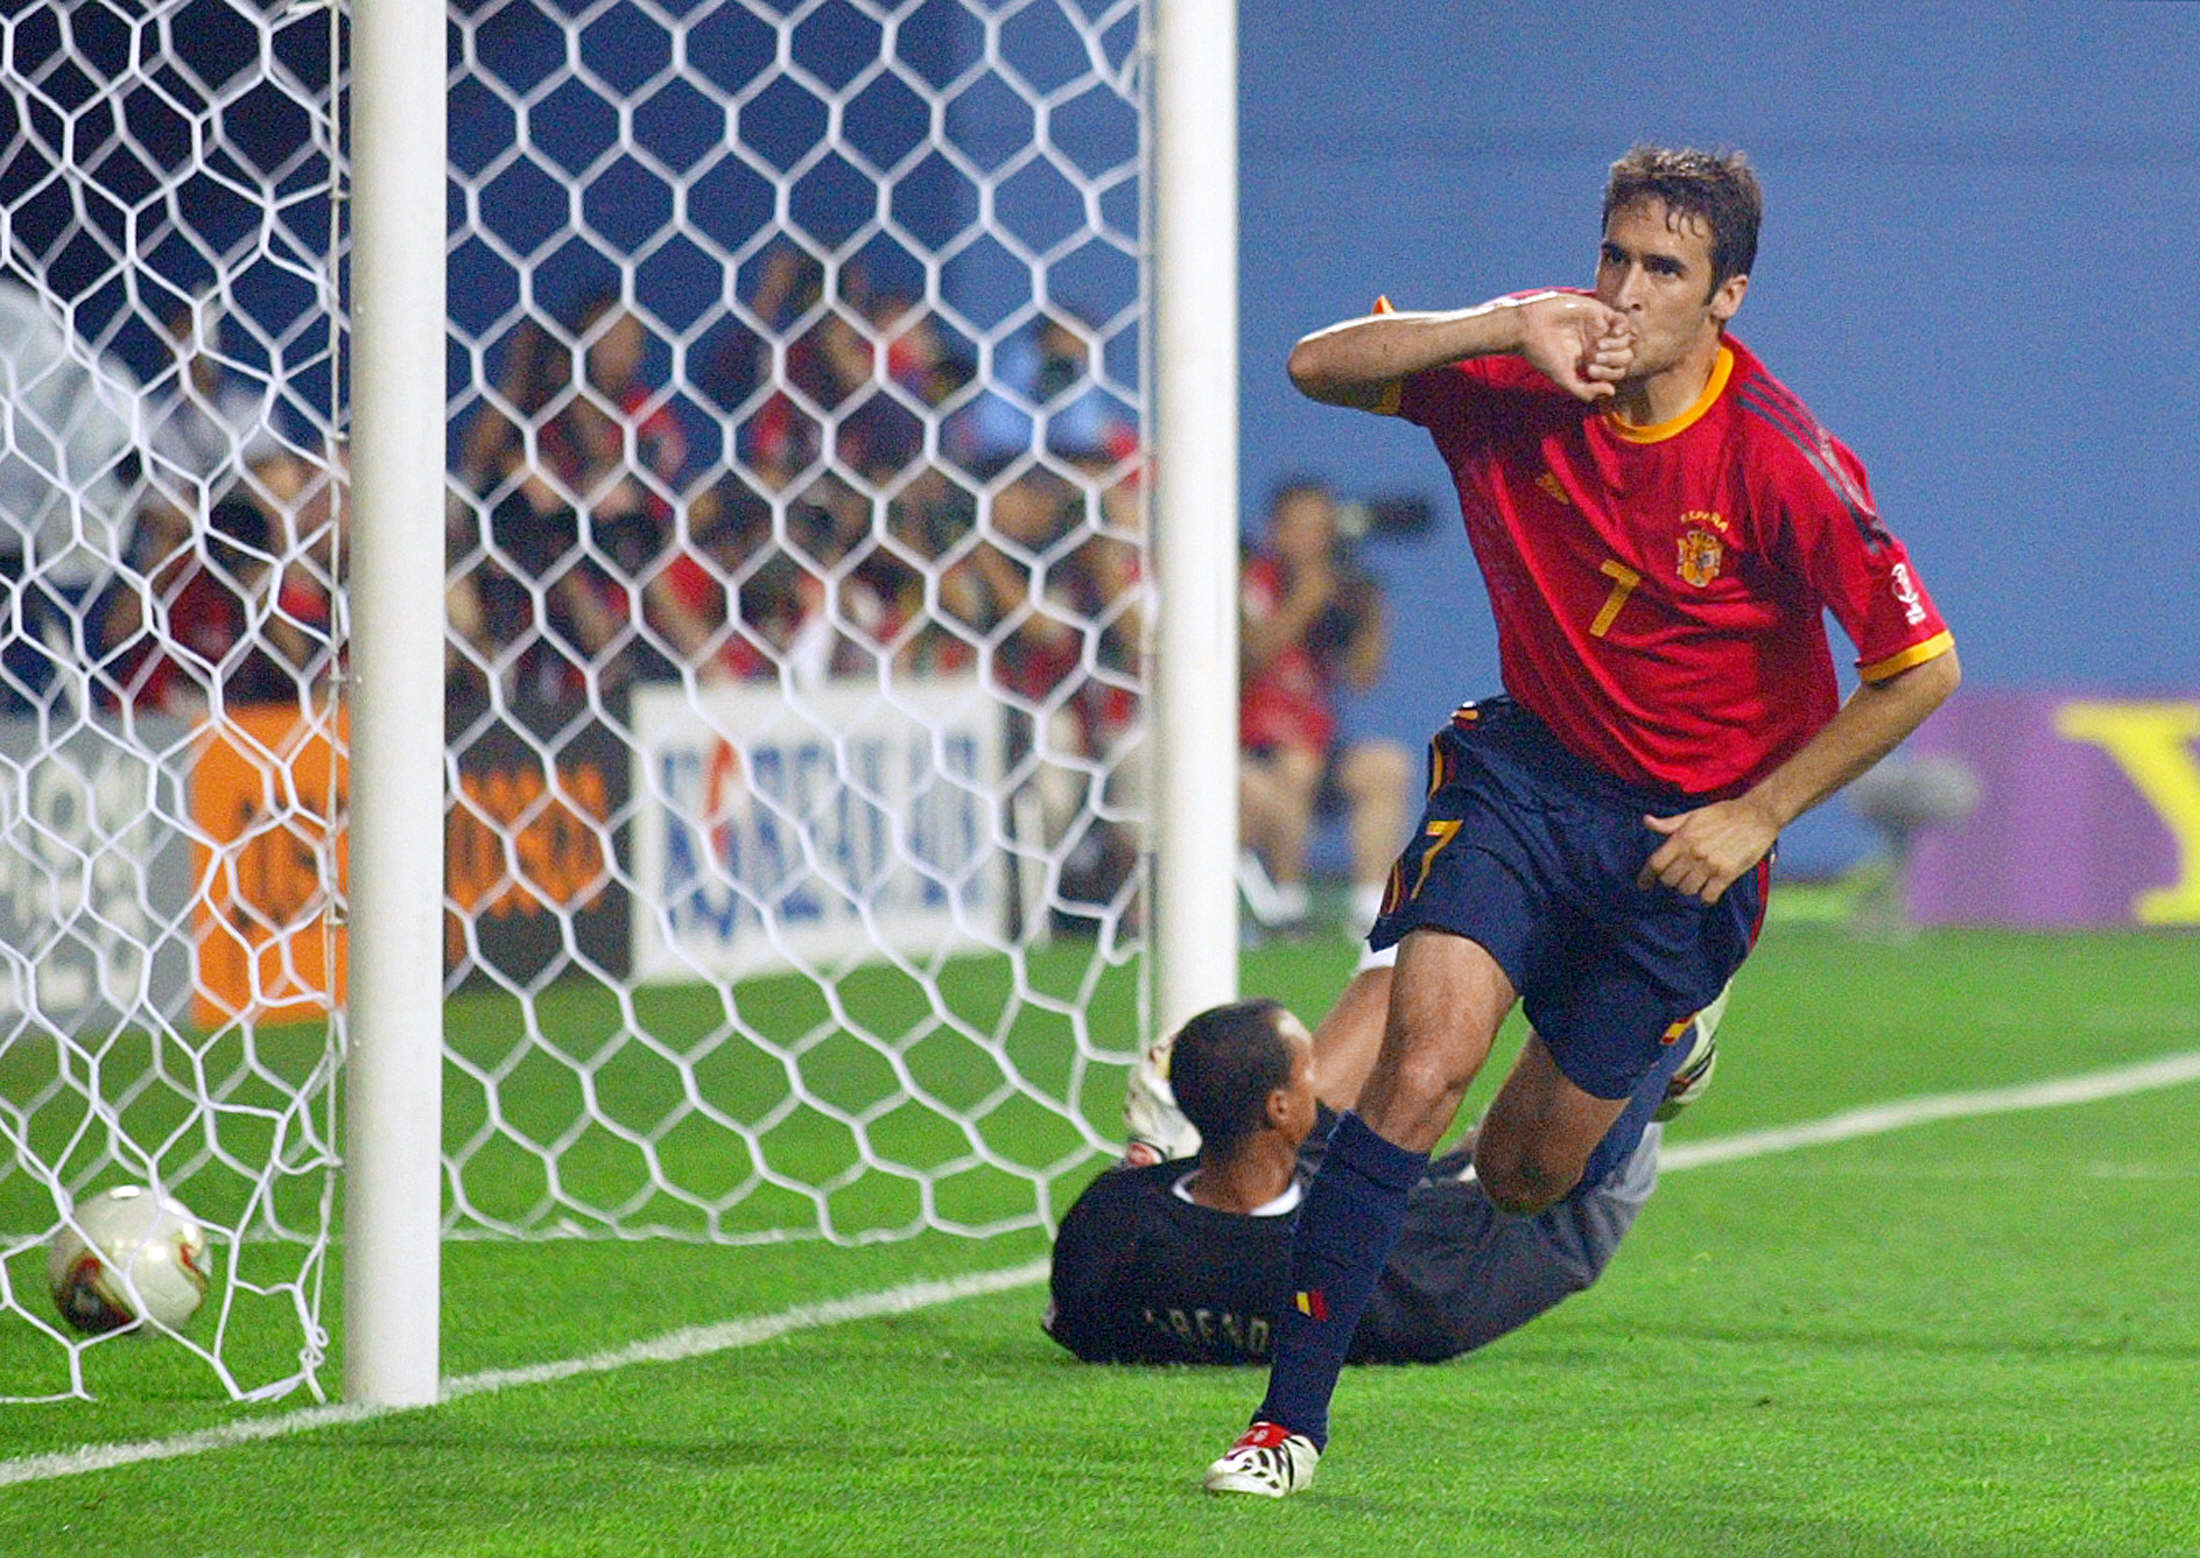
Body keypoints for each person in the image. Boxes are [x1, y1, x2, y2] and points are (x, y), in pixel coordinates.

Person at [1203, 145, 1960, 1497]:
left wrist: (1756, 815)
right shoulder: (1519, 379)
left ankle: (1672, 1032)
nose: (1622, 289)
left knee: (1519, 1172)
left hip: (1687, 841)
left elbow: (1919, 668)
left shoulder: (1781, 463)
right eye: (1612, 255)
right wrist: (1508, 316)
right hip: (1529, 785)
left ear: (1726, 295)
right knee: (1419, 1071)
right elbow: (1315, 366)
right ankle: (1286, 1427)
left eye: (1661, 269)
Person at [1046, 953, 1719, 1367]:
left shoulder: (1109, 1223)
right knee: (1581, 1078)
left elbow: (1075, 1318)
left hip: (1260, 1185)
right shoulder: (1388, 1267)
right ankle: (1677, 1051)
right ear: (1281, 1108)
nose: (1321, 1075)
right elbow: (1514, 1211)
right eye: (1308, 1069)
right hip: (1534, 1216)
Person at [1238, 480, 1412, 935]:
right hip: (1249, 748)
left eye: (1321, 529)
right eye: (1299, 528)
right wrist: (1303, 602)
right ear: (1275, 530)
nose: (1311, 541)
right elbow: (1249, 657)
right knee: (1296, 767)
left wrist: (1371, 618)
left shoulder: (1342, 592)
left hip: (1315, 745)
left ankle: (1371, 912)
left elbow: (1362, 678)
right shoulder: (1250, 578)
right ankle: (1287, 908)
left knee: (1386, 767)